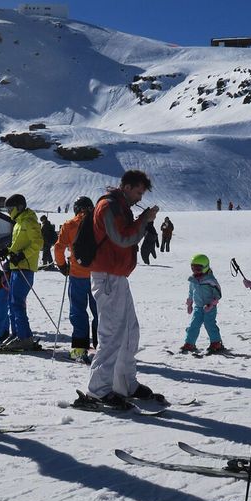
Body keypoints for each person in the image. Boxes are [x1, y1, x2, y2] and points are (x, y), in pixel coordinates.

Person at [72, 170, 161, 409]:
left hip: (117, 276)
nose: (140, 197)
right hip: (107, 277)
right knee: (111, 334)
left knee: (129, 330)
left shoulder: (120, 206)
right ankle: (99, 389)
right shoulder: (109, 207)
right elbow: (121, 238)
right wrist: (145, 221)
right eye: (139, 192)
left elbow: (122, 237)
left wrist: (142, 222)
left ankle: (124, 383)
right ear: (127, 186)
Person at [54, 196, 99, 361]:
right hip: (97, 275)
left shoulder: (69, 225)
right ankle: (101, 347)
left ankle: (79, 349)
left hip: (77, 275)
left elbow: (58, 248)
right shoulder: (98, 224)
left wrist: (62, 266)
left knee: (78, 311)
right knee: (99, 312)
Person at [0, 194, 44, 351]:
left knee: (17, 301)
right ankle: (17, 333)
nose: (9, 211)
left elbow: (38, 243)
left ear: (20, 207)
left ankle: (24, 337)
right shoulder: (18, 223)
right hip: (17, 267)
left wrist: (22, 255)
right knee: (12, 301)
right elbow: (17, 247)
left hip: (26, 268)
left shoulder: (29, 221)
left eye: (11, 208)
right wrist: (7, 251)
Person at [179, 254, 224, 354]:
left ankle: (216, 342)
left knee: (210, 324)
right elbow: (191, 292)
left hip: (209, 307)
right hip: (198, 307)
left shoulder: (211, 280)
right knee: (193, 325)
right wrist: (189, 303)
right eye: (193, 268)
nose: (195, 271)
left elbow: (218, 294)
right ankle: (189, 343)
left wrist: (212, 304)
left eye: (198, 268)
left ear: (205, 267)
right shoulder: (193, 279)